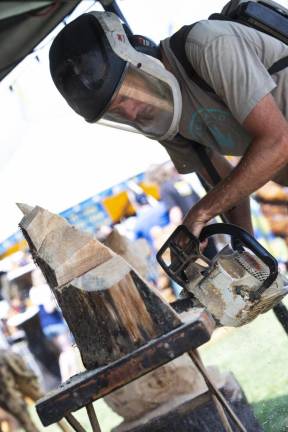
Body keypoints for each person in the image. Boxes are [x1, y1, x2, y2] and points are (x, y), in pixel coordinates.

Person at [48, 6, 288, 242]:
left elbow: (278, 142)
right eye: (117, 111)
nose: (130, 113)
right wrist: (245, 249)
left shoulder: (206, 45)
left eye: (127, 95)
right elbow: (222, 185)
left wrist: (202, 213)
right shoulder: (163, 117)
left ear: (140, 60)